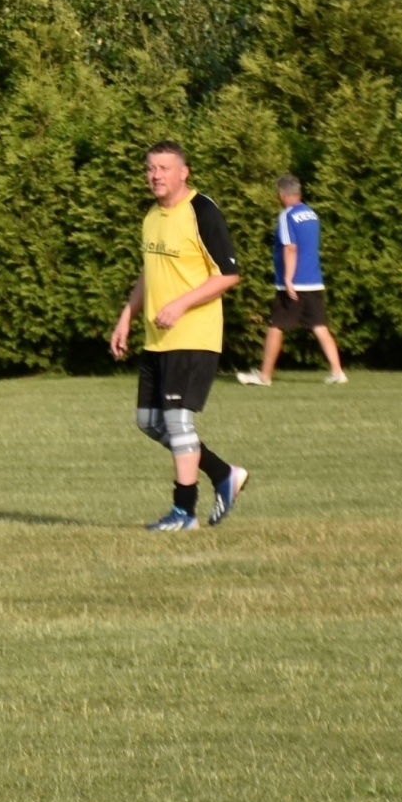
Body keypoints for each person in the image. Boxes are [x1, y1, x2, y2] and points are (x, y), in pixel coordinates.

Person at [109, 141, 249, 531]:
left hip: (194, 336)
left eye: (164, 168)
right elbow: (148, 273)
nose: (156, 175)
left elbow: (229, 274)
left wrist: (182, 304)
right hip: (157, 339)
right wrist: (126, 316)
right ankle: (224, 474)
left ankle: (183, 512)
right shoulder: (152, 216)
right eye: (150, 168)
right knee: (148, 422)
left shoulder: (201, 210)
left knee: (177, 422)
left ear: (184, 172)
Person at [236, 174, 347, 386]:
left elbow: (290, 247)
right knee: (319, 325)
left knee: (275, 326)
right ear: (299, 192)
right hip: (314, 281)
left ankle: (264, 376)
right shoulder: (311, 214)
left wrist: (287, 278)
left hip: (294, 283)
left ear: (281, 194)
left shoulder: (287, 216)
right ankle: (337, 371)